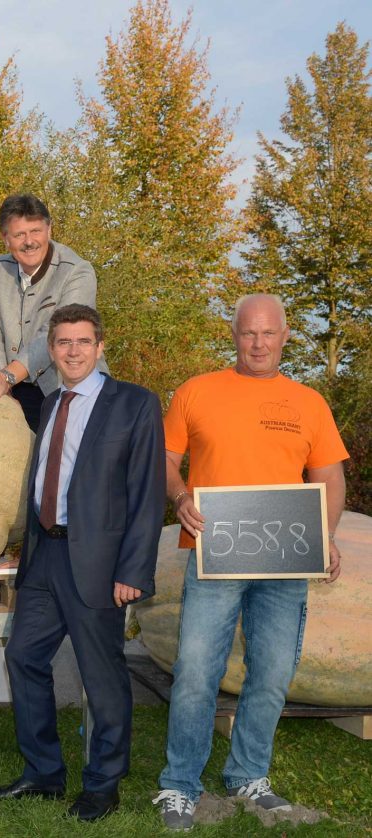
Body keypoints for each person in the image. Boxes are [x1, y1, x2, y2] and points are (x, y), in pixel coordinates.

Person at [154, 294, 347, 831]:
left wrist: (324, 535)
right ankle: (179, 786)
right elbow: (166, 461)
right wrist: (180, 497)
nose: (258, 343)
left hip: (285, 558)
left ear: (286, 335)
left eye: (268, 334)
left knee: (272, 672)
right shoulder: (196, 391)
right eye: (247, 333)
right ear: (233, 334)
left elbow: (329, 478)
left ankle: (247, 776)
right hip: (215, 555)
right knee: (196, 671)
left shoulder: (308, 401)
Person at [0, 303, 165, 822]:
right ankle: (42, 773)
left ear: (100, 346)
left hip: (100, 564)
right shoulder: (48, 403)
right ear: (52, 350)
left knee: (101, 675)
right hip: (44, 557)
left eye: (83, 342)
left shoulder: (134, 404)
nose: (73, 351)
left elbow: (147, 494)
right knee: (23, 657)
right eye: (63, 342)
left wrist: (133, 570)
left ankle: (103, 783)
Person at [0, 194, 104, 432]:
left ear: (49, 230)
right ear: (5, 239)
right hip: (13, 388)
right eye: (19, 234)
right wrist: (1, 392)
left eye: (36, 231)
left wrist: (6, 376)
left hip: (66, 388)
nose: (29, 241)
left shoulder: (78, 272)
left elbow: (56, 335)